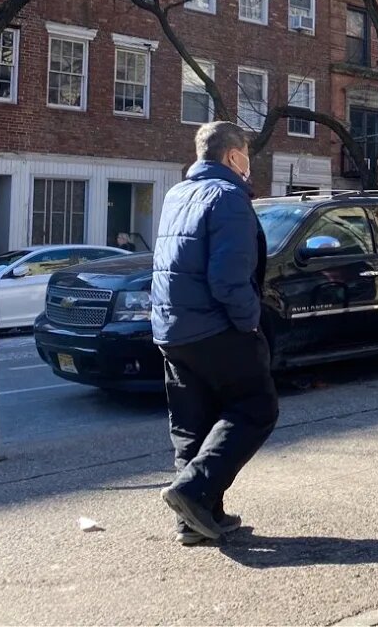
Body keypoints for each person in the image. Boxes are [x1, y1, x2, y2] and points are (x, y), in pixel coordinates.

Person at [151, 121, 277, 546]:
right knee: (255, 408)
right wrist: (251, 321)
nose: (248, 165)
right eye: (246, 156)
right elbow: (228, 278)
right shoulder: (229, 199)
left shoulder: (176, 194)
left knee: (193, 423)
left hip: (172, 328)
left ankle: (198, 519)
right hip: (216, 326)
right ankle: (193, 492)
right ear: (231, 156)